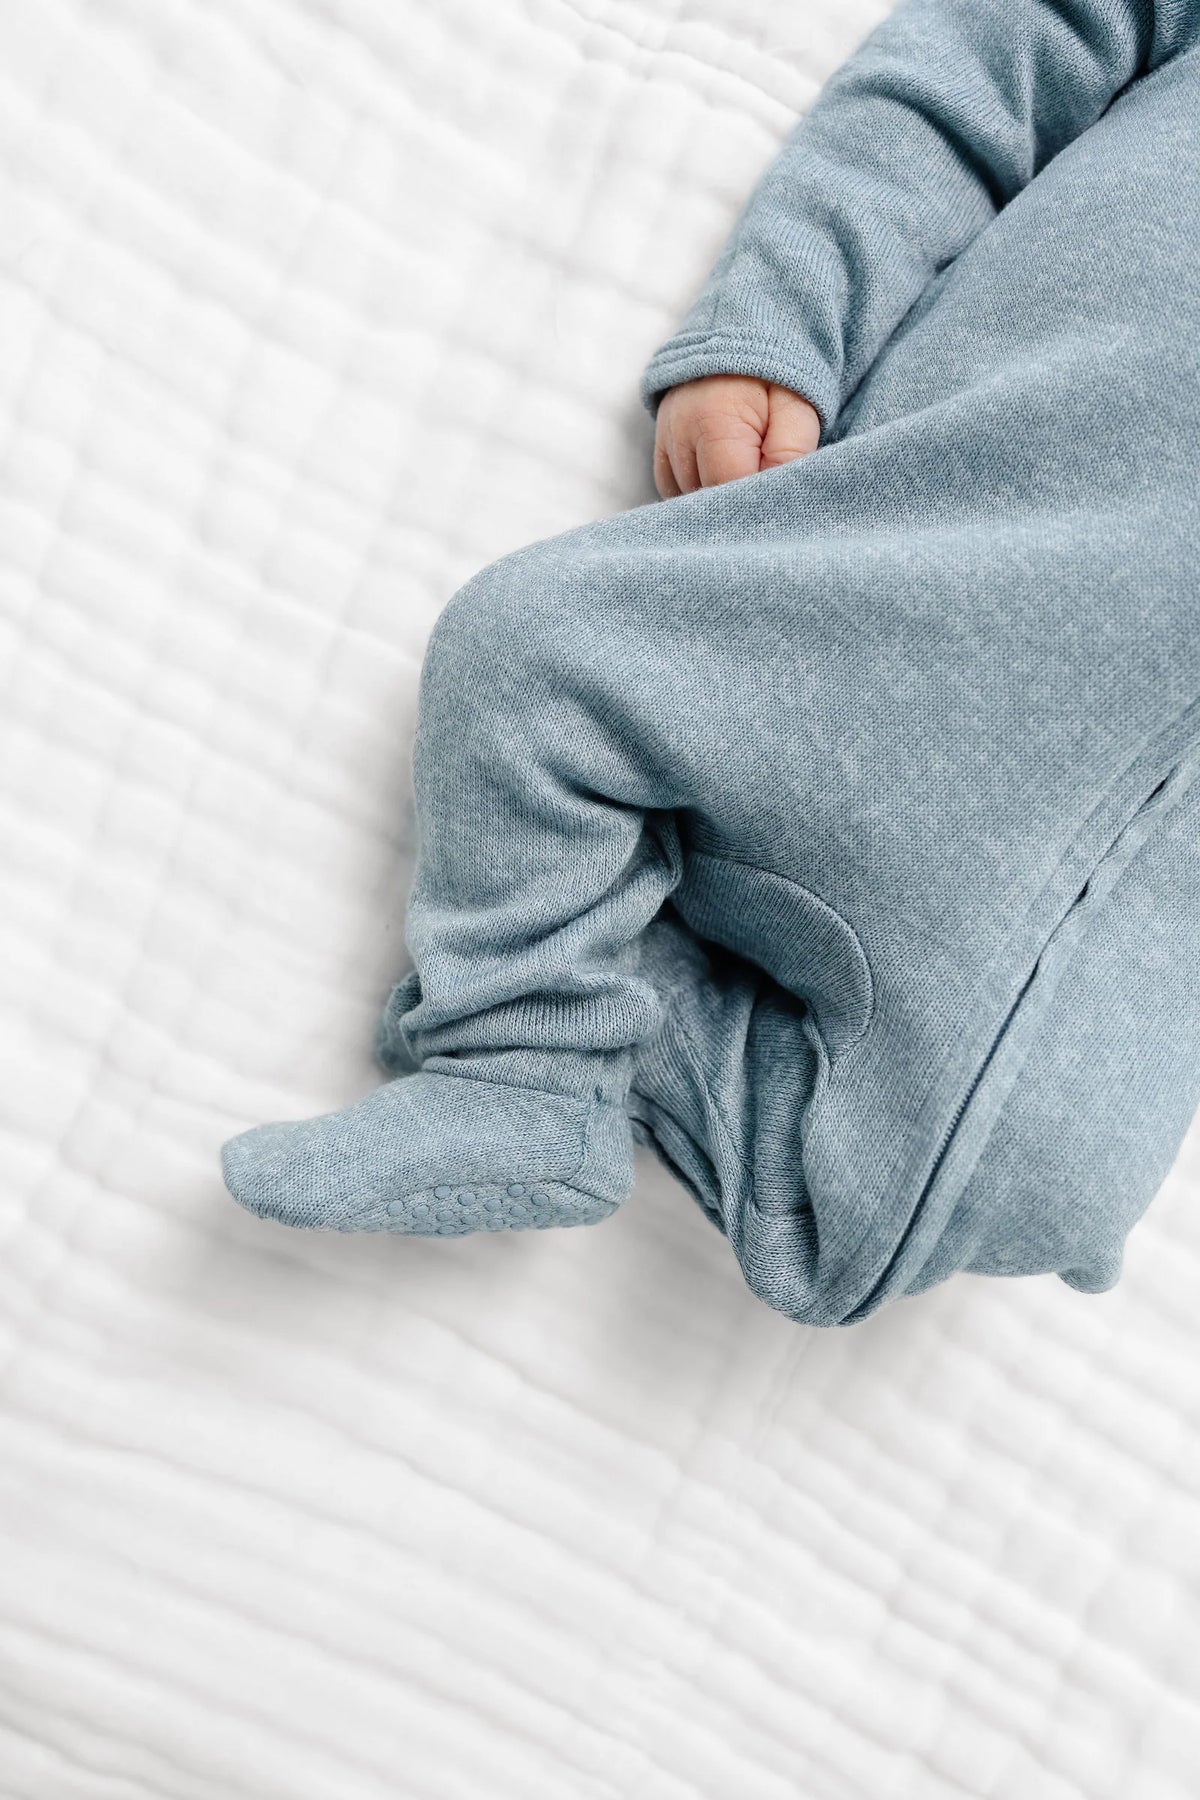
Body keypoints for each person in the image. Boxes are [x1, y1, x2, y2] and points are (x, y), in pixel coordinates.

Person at [221, 0, 1200, 1327]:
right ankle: (524, 1063)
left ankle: (618, 1026)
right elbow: (961, 82)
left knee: (1038, 1193)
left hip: (1131, 943)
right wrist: (778, 323)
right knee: (529, 653)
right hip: (901, 594)